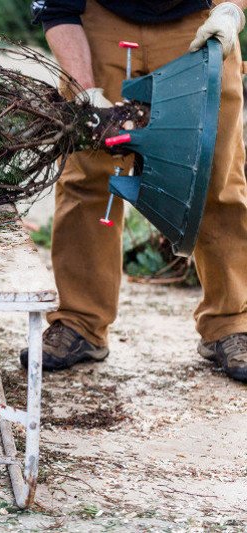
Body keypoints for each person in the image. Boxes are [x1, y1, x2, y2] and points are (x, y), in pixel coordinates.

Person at [22, 0, 247, 382]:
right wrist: (84, 93)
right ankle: (80, 322)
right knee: (90, 176)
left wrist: (231, 10)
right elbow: (57, 7)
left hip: (196, 22)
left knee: (215, 176)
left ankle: (231, 322)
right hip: (100, 22)